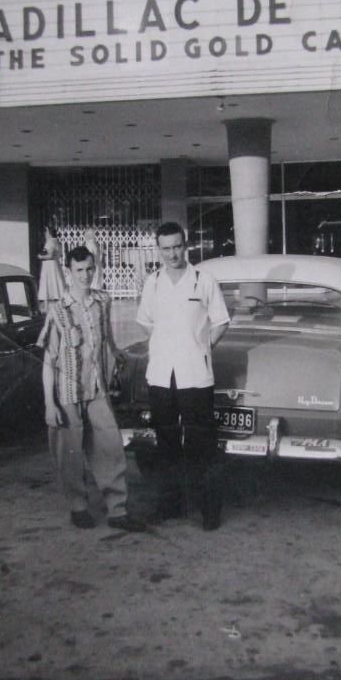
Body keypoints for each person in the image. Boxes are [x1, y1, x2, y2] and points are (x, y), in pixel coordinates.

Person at [41, 246, 143, 532]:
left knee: (110, 446)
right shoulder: (58, 312)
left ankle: (117, 509)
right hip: (67, 394)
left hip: (96, 389)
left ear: (94, 268)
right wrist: (50, 404)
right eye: (78, 270)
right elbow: (49, 361)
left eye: (89, 269)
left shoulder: (102, 301)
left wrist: (114, 350)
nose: (85, 275)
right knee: (70, 454)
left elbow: (106, 335)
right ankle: (78, 506)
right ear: (68, 272)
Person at [137, 222, 231, 530]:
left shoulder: (203, 281)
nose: (172, 253)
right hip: (162, 376)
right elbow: (146, 322)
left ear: (186, 245)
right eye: (166, 248)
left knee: (201, 444)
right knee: (166, 444)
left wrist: (202, 346)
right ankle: (170, 505)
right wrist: (167, 344)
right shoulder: (152, 283)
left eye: (177, 246)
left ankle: (209, 511)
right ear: (159, 250)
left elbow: (220, 321)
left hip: (195, 374)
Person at [37, 225, 66, 309]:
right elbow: (59, 254)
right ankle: (61, 305)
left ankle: (46, 307)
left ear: (49, 232)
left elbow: (50, 255)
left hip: (49, 266)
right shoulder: (57, 241)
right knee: (57, 284)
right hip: (55, 265)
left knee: (47, 285)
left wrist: (41, 257)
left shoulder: (50, 242)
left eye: (46, 231)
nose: (45, 233)